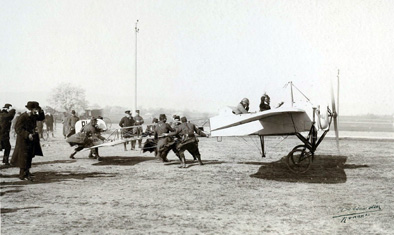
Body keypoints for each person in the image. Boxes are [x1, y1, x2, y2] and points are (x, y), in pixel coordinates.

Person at [11, 101, 45, 181]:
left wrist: (41, 110)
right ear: (31, 109)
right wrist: (27, 134)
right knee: (24, 157)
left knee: (29, 155)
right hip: (23, 140)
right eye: (35, 109)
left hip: (31, 139)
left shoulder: (33, 115)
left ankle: (27, 172)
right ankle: (22, 175)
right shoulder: (23, 116)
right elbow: (18, 128)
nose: (36, 111)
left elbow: (41, 118)